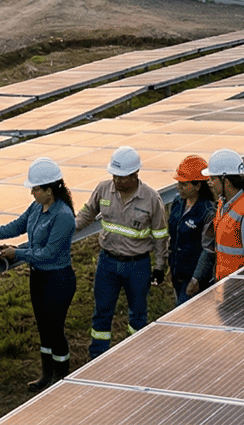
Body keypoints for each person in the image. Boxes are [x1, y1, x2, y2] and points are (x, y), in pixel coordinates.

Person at [0, 157, 77, 391]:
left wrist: (17, 253)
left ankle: (61, 377)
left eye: (36, 189)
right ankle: (46, 375)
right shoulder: (37, 207)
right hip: (39, 279)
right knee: (43, 328)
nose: (32, 192)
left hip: (58, 280)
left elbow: (49, 253)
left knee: (55, 330)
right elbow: (18, 225)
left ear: (49, 190)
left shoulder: (63, 216)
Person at [75, 145, 165, 356]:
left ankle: (135, 356)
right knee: (102, 312)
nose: (117, 180)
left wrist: (161, 265)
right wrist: (65, 229)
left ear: (135, 174)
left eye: (122, 177)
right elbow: (86, 215)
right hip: (107, 263)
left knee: (138, 315)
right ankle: (97, 356)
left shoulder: (151, 199)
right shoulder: (103, 189)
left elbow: (160, 235)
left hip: (138, 265)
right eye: (114, 176)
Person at [188, 148, 244, 298]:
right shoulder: (223, 204)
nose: (210, 183)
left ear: (226, 181)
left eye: (213, 179)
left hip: (241, 293)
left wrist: (243, 294)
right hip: (226, 287)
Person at [166, 154, 213, 305]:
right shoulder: (178, 201)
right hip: (178, 273)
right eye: (178, 183)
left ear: (198, 185)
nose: (179, 187)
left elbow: (208, 249)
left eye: (183, 184)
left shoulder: (208, 212)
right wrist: (171, 266)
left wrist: (196, 279)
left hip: (194, 278)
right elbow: (173, 236)